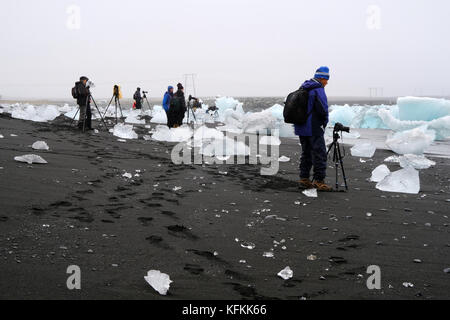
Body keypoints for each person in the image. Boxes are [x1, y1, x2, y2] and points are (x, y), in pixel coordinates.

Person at [295, 66, 333, 192]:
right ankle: (319, 181)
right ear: (322, 78)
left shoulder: (304, 87)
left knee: (306, 153)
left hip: (301, 126)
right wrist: (324, 123)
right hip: (313, 126)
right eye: (326, 79)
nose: (327, 82)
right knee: (319, 153)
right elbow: (323, 109)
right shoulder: (318, 89)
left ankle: (304, 179)